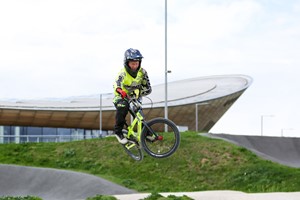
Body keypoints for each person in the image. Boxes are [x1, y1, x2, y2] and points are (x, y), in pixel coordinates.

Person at [113, 48, 152, 144]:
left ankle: (146, 134)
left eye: (137, 63)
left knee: (139, 115)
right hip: (121, 97)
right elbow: (116, 84)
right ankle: (118, 132)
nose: (135, 66)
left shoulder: (142, 72)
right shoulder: (122, 73)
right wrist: (120, 90)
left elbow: (147, 87)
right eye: (132, 63)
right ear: (127, 63)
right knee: (123, 106)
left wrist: (138, 94)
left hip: (135, 98)